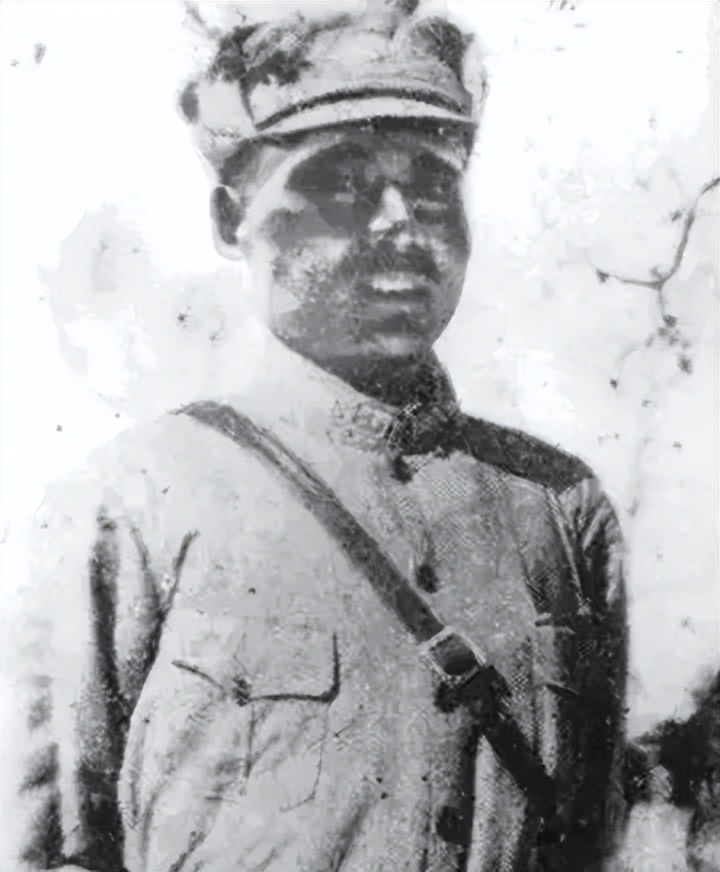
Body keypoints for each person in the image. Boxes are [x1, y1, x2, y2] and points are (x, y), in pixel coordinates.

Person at [8, 2, 629, 870]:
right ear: (231, 220)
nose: (400, 223)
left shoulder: (559, 510)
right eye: (342, 184)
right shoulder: (133, 499)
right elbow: (48, 849)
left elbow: (592, 841)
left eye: (432, 185)